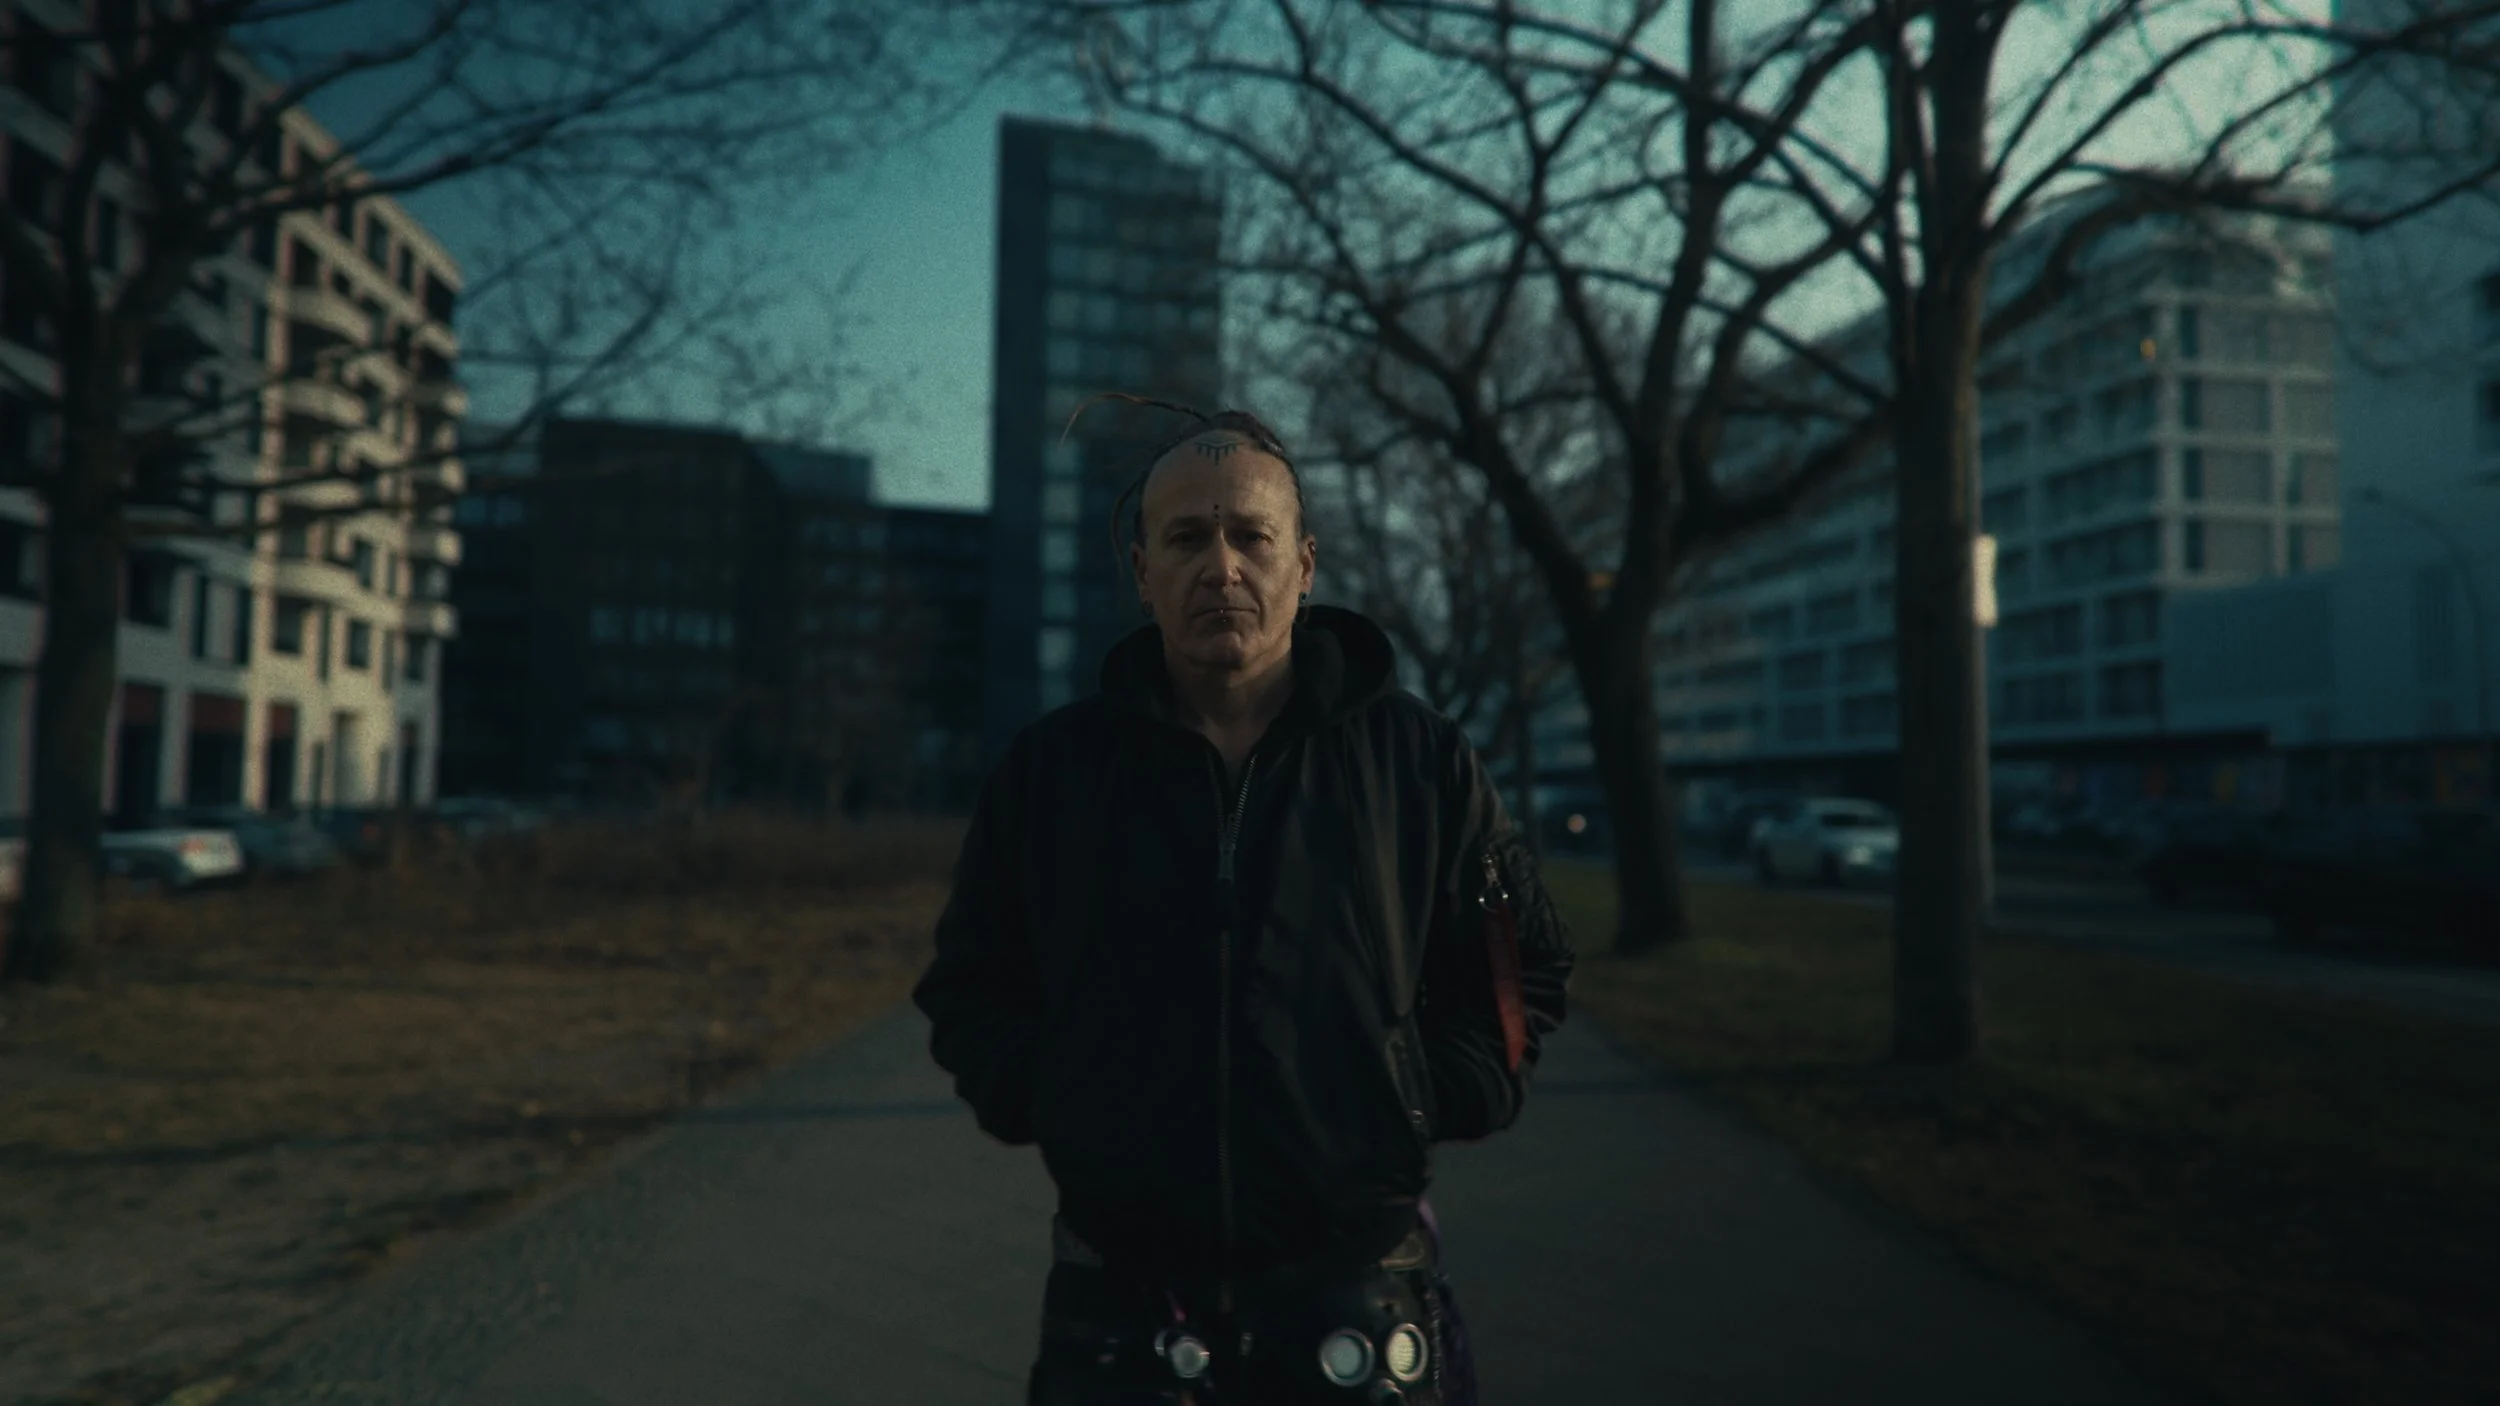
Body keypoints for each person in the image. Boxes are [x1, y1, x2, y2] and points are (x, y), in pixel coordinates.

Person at [913, 401, 1574, 1404]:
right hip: (1119, 1299)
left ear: (1302, 561)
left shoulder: (1418, 759)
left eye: (1249, 534)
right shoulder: (1052, 772)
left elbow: (1518, 964)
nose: (1220, 565)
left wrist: (1422, 1095)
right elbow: (970, 986)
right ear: (1142, 571)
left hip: (1358, 1286)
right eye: (1185, 536)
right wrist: (1058, 1094)